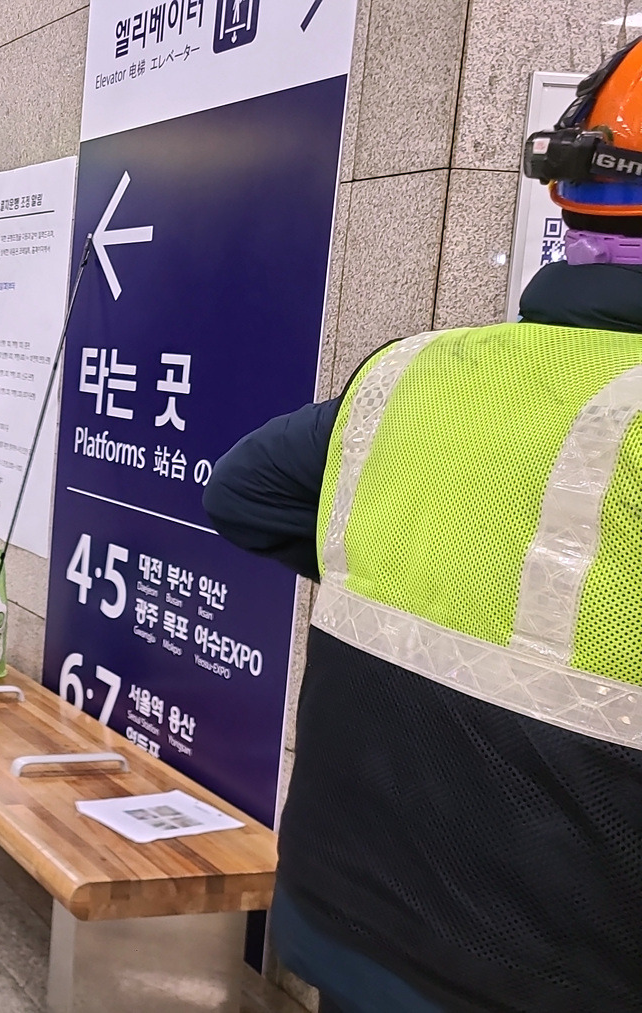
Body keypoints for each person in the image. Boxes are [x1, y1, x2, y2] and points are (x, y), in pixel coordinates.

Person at [204, 42, 642, 1013]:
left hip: (350, 926)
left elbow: (242, 492)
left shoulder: (416, 372)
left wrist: (406, 558)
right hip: (551, 971)